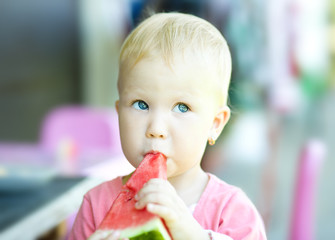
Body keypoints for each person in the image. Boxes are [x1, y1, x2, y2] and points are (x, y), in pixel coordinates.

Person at [69, 12, 267, 240]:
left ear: (215, 124)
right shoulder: (96, 206)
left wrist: (193, 234)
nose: (157, 128)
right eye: (140, 104)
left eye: (182, 107)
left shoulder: (232, 212)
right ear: (118, 113)